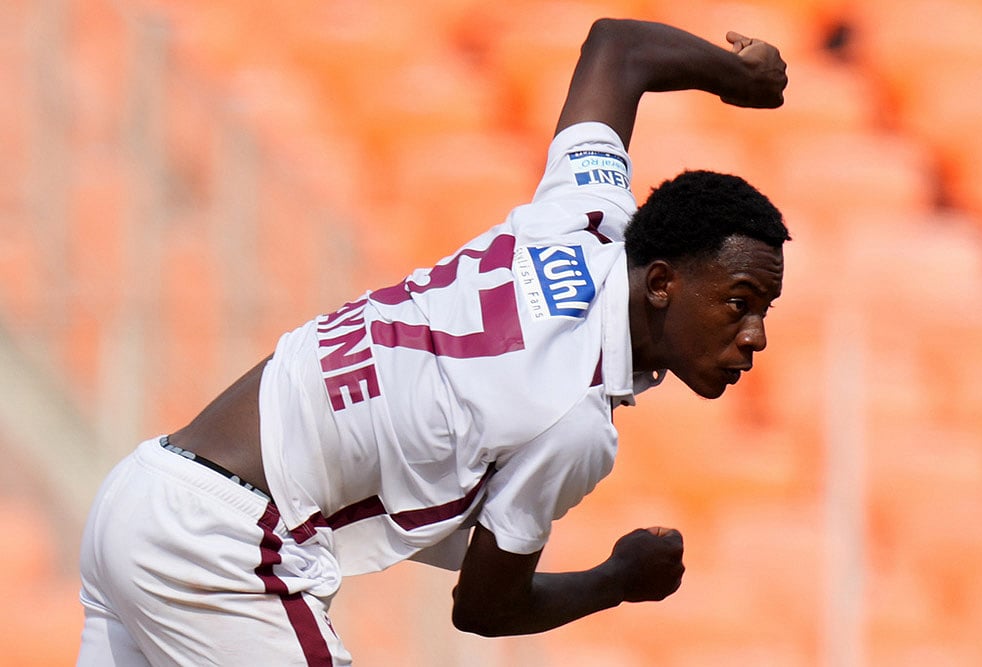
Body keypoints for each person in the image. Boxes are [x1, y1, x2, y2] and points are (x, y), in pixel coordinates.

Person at [77, 17, 789, 666]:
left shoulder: (581, 218)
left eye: (764, 309)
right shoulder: (572, 416)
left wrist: (740, 78)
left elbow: (618, 48)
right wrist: (618, 579)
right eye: (738, 302)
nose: (755, 335)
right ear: (661, 282)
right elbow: (485, 608)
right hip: (223, 544)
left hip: (146, 490)